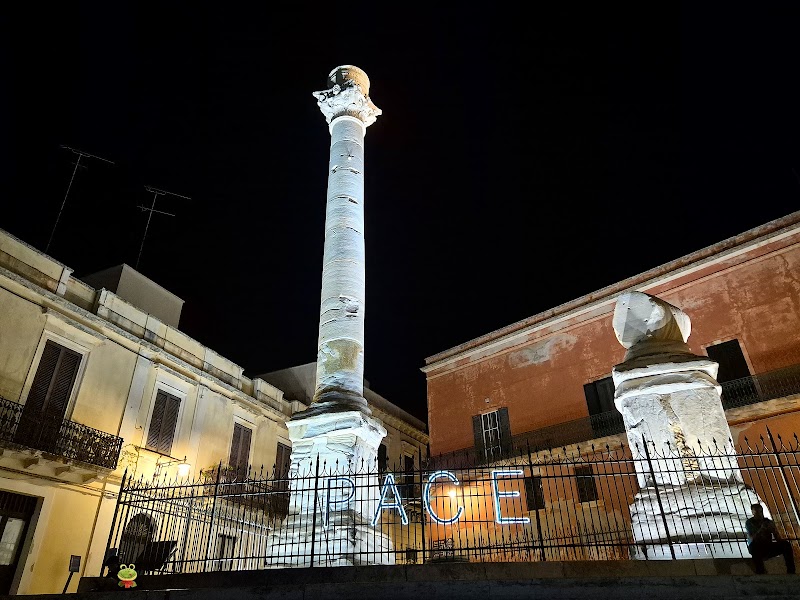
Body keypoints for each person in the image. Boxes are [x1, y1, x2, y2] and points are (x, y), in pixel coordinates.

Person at [745, 503, 796, 574]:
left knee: (786, 545)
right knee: (755, 547)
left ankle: (791, 571)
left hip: (767, 546)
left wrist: (773, 530)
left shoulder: (768, 522)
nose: (759, 514)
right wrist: (761, 529)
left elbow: (777, 537)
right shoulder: (750, 522)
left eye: (760, 512)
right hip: (757, 546)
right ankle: (760, 571)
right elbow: (752, 537)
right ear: (753, 513)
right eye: (757, 512)